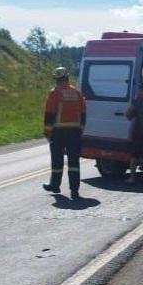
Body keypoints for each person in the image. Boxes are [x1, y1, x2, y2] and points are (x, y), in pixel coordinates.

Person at [42, 66, 86, 199]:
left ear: (57, 79)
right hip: (75, 132)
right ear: (67, 78)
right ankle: (74, 190)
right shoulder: (77, 93)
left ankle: (55, 185)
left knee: (57, 161)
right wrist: (81, 130)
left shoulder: (55, 93)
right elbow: (83, 112)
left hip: (58, 132)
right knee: (74, 162)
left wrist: (47, 132)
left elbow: (50, 114)